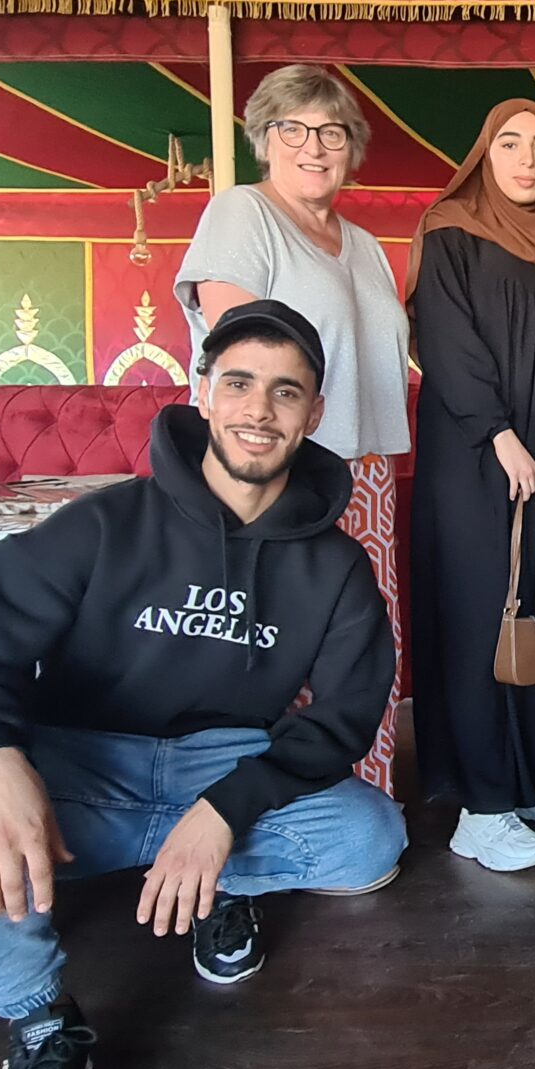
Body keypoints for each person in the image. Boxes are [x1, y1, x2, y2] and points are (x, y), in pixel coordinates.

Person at [0, 301, 406, 1069]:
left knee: (370, 836)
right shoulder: (108, 521)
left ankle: (217, 875)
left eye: (286, 392)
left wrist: (223, 812)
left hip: (225, 764)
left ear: (314, 414)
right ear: (202, 393)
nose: (259, 410)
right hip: (81, 763)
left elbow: (344, 717)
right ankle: (41, 1022)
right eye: (239, 383)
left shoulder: (336, 565)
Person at [175, 64, 411, 790]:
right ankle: (272, 806)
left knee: (361, 647)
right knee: (283, 644)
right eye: (294, 129)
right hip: (282, 471)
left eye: (332, 132)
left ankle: (365, 799)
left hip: (367, 475)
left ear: (352, 147)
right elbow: (241, 354)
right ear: (264, 137)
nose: (314, 146)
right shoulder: (243, 214)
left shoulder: (364, 244)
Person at [406, 100, 535, 873]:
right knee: (480, 613)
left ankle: (534, 774)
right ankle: (481, 807)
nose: (526, 159)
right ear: (484, 155)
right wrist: (500, 434)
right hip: (473, 456)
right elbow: (447, 343)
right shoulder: (450, 231)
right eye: (510, 144)